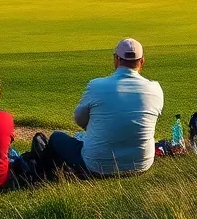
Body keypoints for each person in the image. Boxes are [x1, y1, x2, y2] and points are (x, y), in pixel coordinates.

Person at [45, 38, 164, 177]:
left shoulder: (96, 86)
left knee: (56, 138)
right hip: (141, 164)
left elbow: (79, 119)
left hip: (96, 165)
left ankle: (42, 178)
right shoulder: (155, 89)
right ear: (142, 60)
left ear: (116, 59)